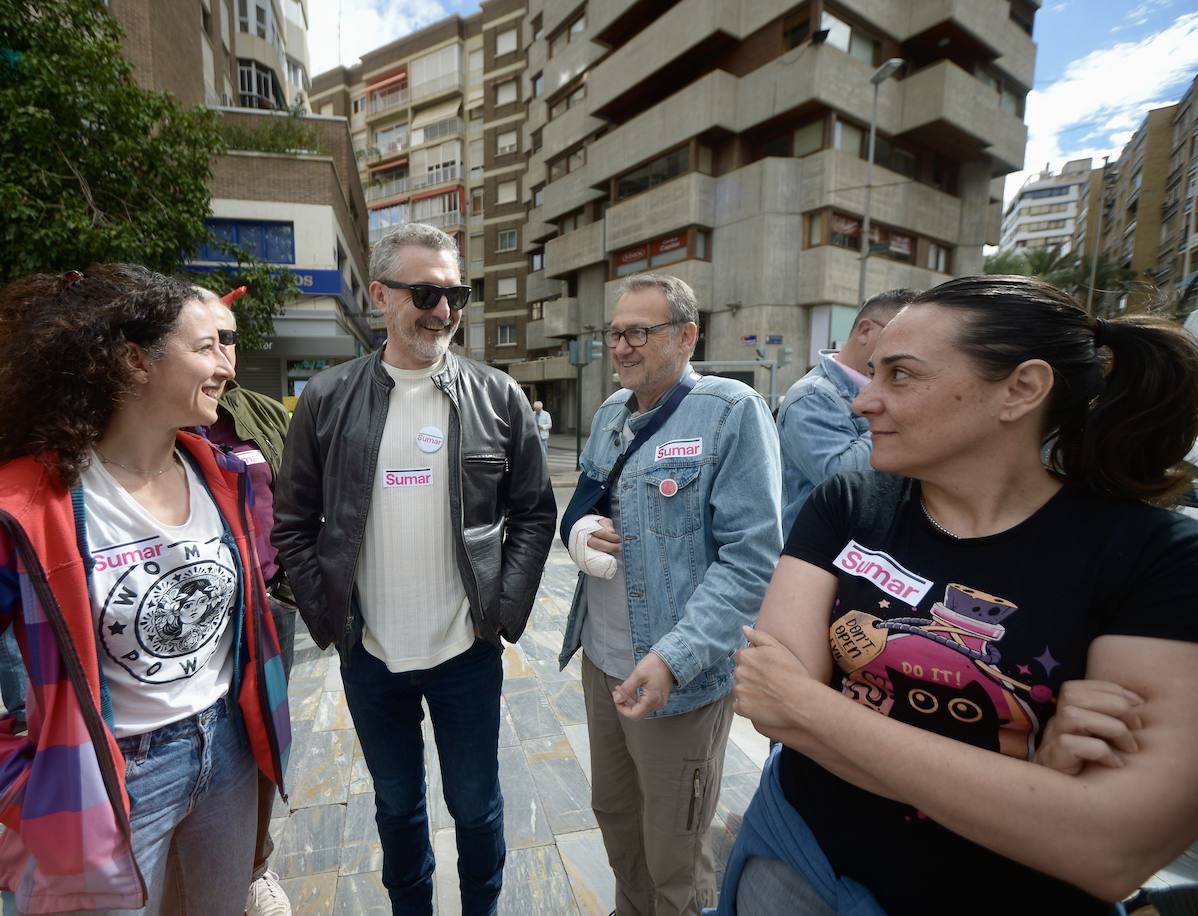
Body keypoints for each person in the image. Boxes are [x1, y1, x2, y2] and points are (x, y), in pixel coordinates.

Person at [731, 275, 1198, 914]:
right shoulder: (848, 505)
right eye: (873, 374)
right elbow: (766, 708)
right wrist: (1032, 782)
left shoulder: (1157, 558)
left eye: (900, 375)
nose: (863, 402)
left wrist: (813, 708)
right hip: (797, 864)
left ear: (1021, 389)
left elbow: (1110, 848)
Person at [0, 265, 292, 915]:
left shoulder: (228, 476)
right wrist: (24, 792)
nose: (227, 368)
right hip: (110, 776)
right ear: (134, 360)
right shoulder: (11, 506)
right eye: (206, 347)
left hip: (230, 753)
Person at [275, 223, 556, 916]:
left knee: (476, 807)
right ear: (380, 296)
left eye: (455, 293)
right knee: (398, 809)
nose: (443, 309)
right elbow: (293, 524)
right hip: (371, 656)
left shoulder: (498, 396)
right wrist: (333, 621)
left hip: (466, 653)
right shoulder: (326, 399)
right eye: (426, 292)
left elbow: (534, 514)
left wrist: (503, 612)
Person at [556, 274, 784, 916]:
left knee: (676, 848)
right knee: (615, 818)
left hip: (675, 678)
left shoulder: (731, 411)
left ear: (687, 336)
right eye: (616, 333)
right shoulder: (607, 415)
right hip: (603, 665)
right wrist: (575, 532)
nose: (622, 346)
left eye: (639, 332)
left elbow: (752, 559)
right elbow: (584, 506)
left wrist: (675, 656)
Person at [197, 285, 296, 916]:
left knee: (261, 741)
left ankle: (255, 863)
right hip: (191, 625)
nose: (226, 362)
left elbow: (298, 495)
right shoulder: (126, 435)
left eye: (229, 341)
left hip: (263, 611)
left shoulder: (257, 413)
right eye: (206, 344)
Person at [776, 289, 918, 537]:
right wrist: (893, 410)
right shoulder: (811, 396)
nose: (912, 350)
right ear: (865, 331)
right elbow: (839, 477)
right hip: (825, 557)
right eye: (905, 336)